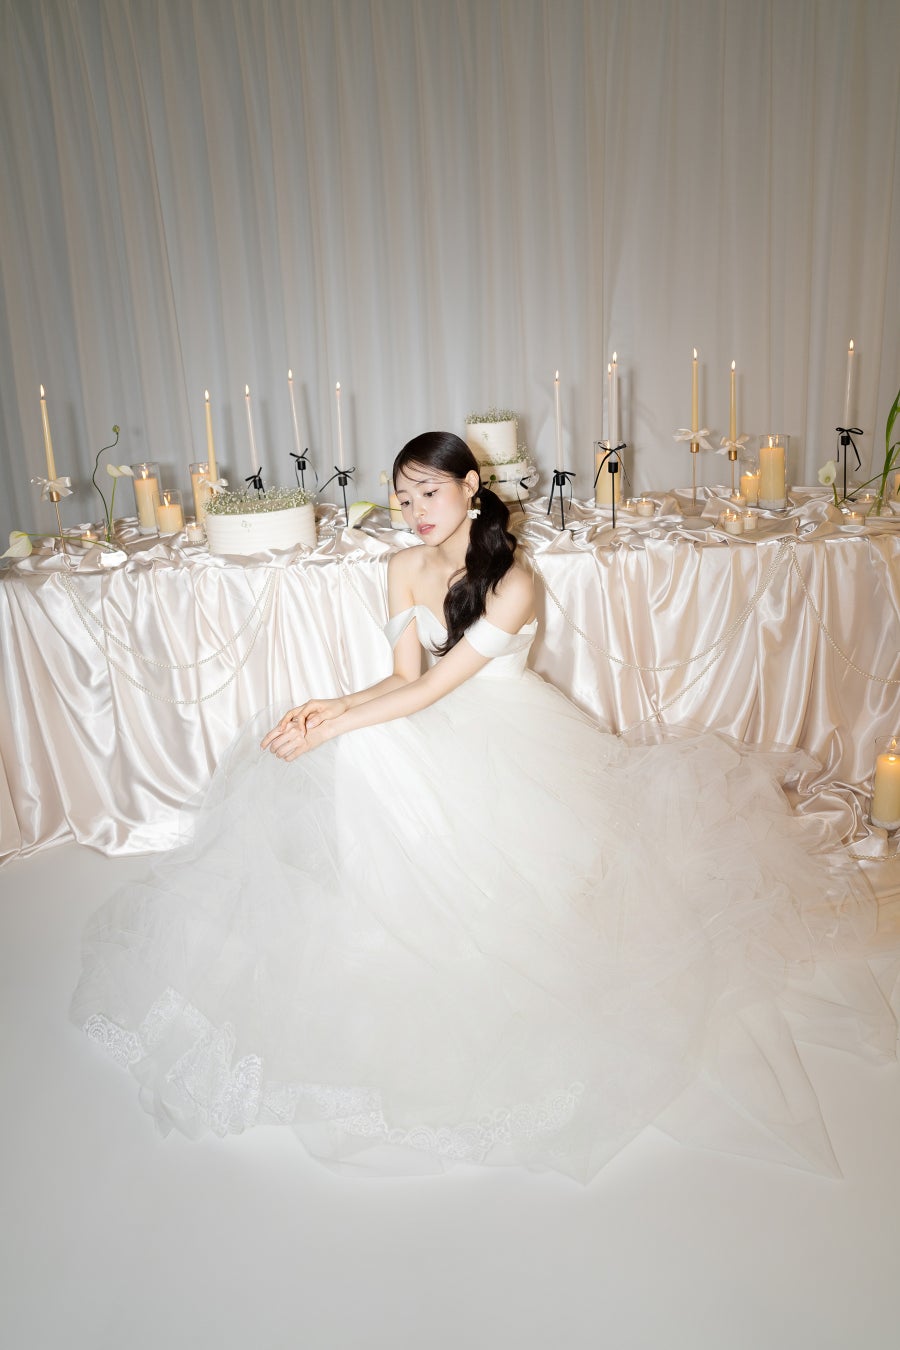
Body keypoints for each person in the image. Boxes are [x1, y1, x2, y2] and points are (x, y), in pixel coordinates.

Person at [71, 432, 897, 1184]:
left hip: (507, 732)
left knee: (366, 743)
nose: (414, 510)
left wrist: (341, 726)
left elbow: (438, 688)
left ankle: (450, 907)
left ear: (471, 487)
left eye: (428, 492)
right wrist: (328, 705)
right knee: (355, 737)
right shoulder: (400, 566)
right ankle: (392, 907)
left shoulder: (514, 581)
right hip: (431, 716)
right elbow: (403, 679)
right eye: (402, 497)